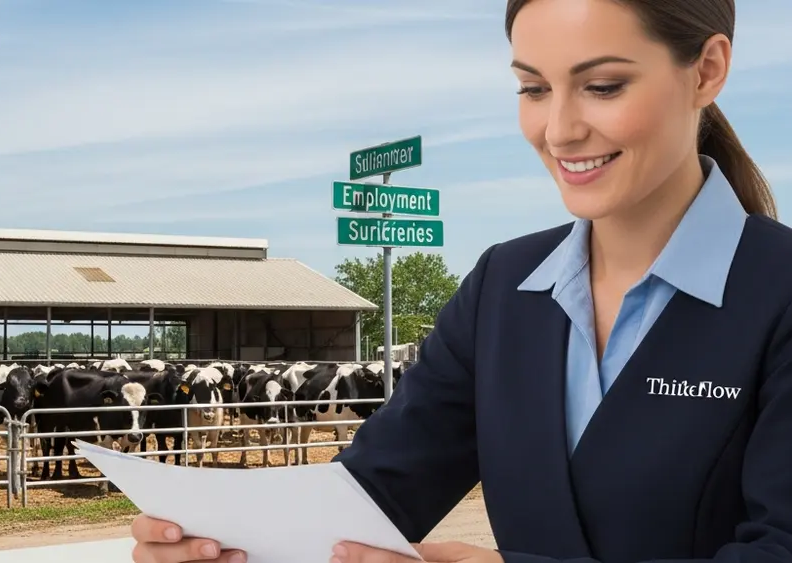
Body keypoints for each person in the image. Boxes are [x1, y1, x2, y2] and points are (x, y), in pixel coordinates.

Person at [130, 0, 792, 562]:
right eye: (532, 89)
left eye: (603, 86)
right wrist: (222, 538)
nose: (557, 130)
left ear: (706, 70)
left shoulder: (778, 291)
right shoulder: (502, 286)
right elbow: (365, 500)